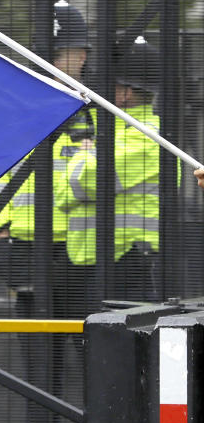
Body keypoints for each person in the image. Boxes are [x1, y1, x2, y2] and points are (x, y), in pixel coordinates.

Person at [0, 0, 95, 322]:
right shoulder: (19, 109)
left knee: (85, 341)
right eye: (52, 55)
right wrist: (2, 229)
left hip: (79, 244)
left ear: (83, 56)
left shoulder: (96, 109)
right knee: (38, 351)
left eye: (64, 54)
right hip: (24, 242)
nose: (57, 63)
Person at [58, 36, 166, 303]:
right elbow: (60, 195)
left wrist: (83, 155)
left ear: (124, 93)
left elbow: (81, 182)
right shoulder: (107, 134)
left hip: (127, 261)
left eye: (105, 85)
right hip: (87, 259)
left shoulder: (147, 136)